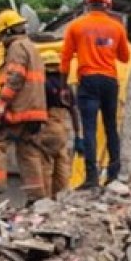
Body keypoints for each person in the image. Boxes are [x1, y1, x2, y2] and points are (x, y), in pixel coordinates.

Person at [59, 0, 130, 188]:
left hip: (87, 81)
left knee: (89, 128)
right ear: (108, 6)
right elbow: (124, 57)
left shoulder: (76, 26)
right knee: (110, 127)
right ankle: (113, 175)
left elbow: (64, 59)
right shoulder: (117, 28)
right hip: (109, 82)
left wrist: (64, 87)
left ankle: (91, 178)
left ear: (88, 5)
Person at [0, 9, 48, 203]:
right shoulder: (32, 48)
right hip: (35, 112)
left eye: (2, 35)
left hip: (18, 110)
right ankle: (36, 197)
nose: (0, 39)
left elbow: (15, 77)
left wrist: (1, 105)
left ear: (9, 32)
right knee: (29, 152)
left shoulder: (16, 48)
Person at [38, 49, 82, 197]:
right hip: (64, 128)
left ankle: (44, 198)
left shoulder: (42, 84)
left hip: (48, 125)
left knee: (45, 163)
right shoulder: (66, 87)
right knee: (62, 163)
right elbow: (74, 110)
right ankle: (61, 197)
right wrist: (78, 135)